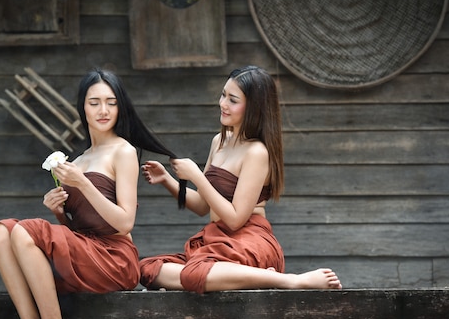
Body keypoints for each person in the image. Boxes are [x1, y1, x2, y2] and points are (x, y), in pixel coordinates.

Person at [0, 69, 180, 319]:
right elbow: (78, 232)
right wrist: (59, 213)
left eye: (111, 102)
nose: (104, 110)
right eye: (94, 102)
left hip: (115, 257)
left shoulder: (123, 151)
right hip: (87, 251)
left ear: (120, 107)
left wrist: (83, 185)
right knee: (3, 231)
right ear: (83, 107)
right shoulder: (78, 160)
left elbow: (125, 223)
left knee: (26, 232)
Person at [139, 65, 342, 293]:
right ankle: (257, 277)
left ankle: (290, 281)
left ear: (254, 108)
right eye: (223, 94)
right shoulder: (219, 142)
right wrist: (167, 180)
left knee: (193, 272)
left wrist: (196, 175)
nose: (223, 104)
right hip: (217, 239)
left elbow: (235, 219)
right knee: (150, 269)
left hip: (248, 240)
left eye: (233, 100)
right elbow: (202, 206)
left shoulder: (256, 152)